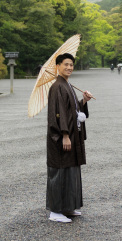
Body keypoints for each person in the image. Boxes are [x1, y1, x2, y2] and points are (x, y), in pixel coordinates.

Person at [46, 53, 93, 223]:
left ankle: (67, 207)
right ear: (57, 66)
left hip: (72, 135)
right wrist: (64, 135)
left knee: (71, 170)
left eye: (71, 65)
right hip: (61, 137)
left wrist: (84, 101)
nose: (69, 68)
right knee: (59, 171)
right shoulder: (57, 87)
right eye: (65, 64)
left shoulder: (67, 85)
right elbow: (57, 115)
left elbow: (72, 110)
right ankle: (55, 211)